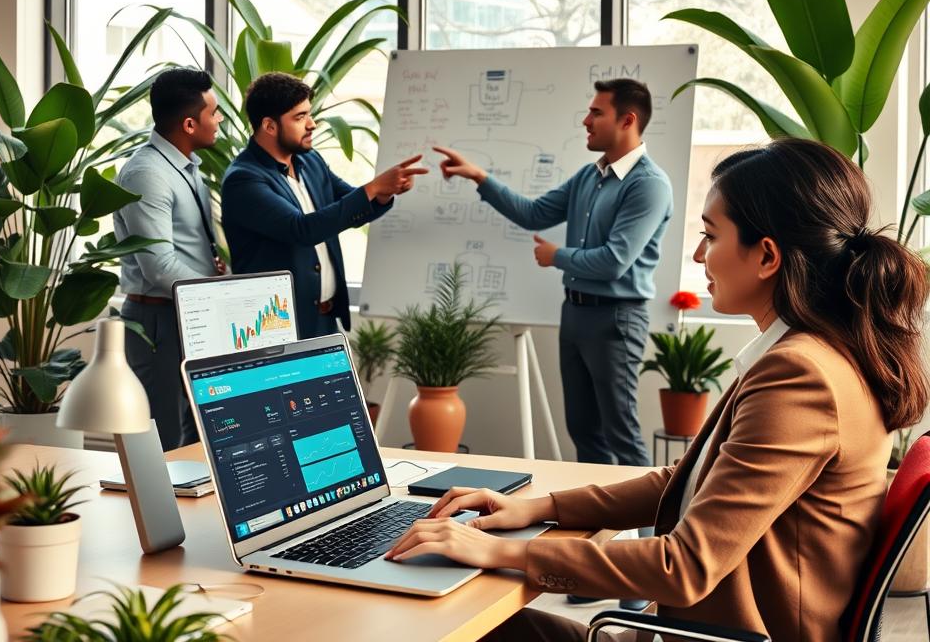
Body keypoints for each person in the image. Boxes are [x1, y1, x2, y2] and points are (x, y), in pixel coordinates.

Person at [386, 138, 930, 642]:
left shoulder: (800, 375)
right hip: (707, 628)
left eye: (711, 236)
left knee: (456, 623)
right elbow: (689, 477)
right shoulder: (816, 351)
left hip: (724, 635)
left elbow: (684, 568)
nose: (697, 256)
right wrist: (538, 508)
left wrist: (500, 551)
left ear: (767, 256)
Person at [434, 78, 672, 468]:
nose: (586, 120)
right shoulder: (588, 176)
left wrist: (556, 256)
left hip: (616, 318)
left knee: (621, 434)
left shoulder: (648, 185)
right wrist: (479, 177)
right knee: (582, 430)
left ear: (627, 120)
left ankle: (650, 526)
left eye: (597, 112)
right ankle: (599, 523)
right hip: (575, 314)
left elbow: (615, 261)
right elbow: (533, 213)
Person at [221, 72, 427, 339]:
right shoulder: (244, 179)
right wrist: (373, 187)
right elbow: (301, 229)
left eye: (309, 114)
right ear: (269, 126)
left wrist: (385, 192)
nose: (312, 124)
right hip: (275, 329)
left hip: (325, 321)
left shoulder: (310, 161)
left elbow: (348, 205)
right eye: (300, 117)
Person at [115, 67, 226, 451]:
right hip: (158, 321)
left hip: (187, 314)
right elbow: (158, 267)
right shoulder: (147, 174)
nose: (220, 121)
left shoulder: (186, 167)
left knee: (199, 436)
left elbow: (186, 245)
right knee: (165, 442)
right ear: (190, 123)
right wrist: (220, 294)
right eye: (214, 113)